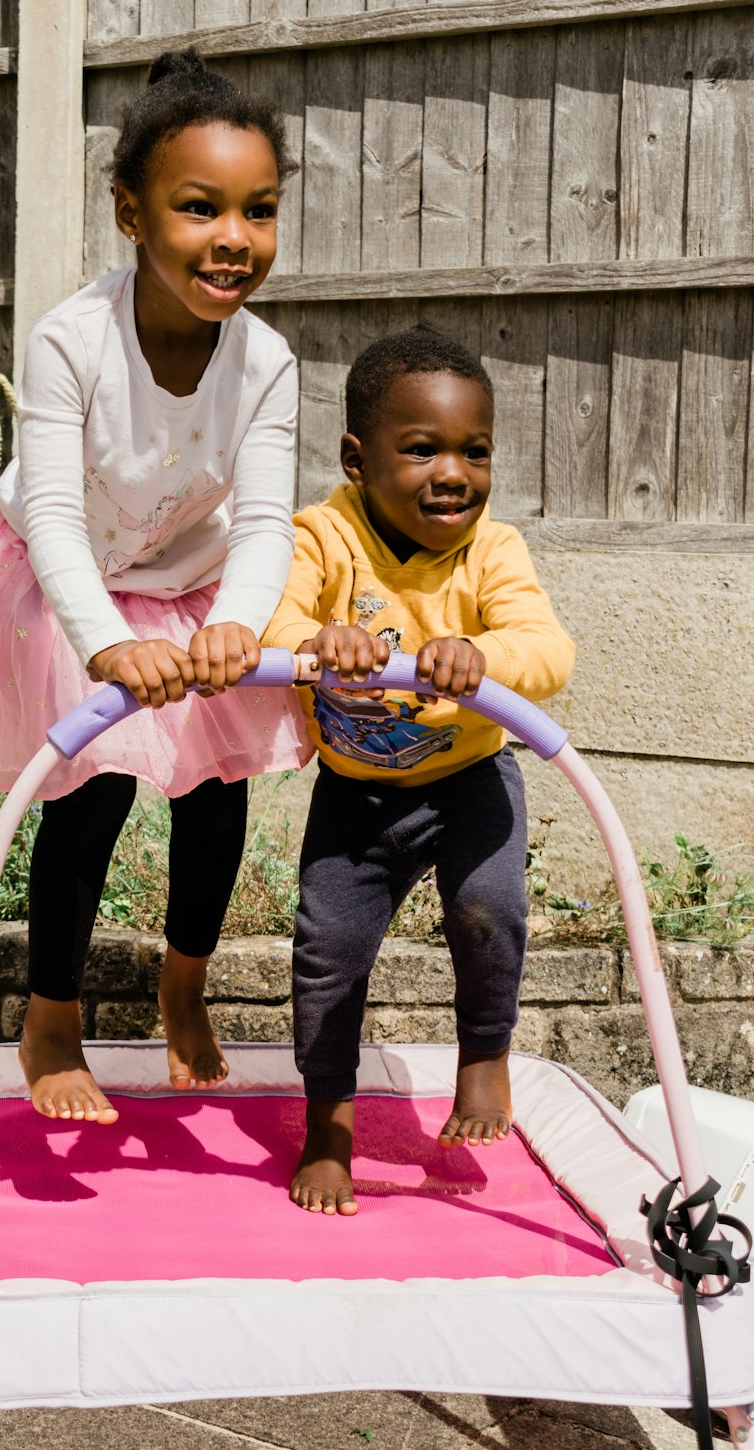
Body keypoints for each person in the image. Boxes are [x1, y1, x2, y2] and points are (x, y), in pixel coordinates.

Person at [0, 50, 312, 1124]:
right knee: (94, 790)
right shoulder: (69, 340)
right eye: (199, 208)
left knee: (215, 788)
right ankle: (53, 1012)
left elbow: (265, 523)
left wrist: (230, 628)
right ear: (132, 215)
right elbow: (51, 517)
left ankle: (184, 981)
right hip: (62, 572)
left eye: (258, 211)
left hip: (187, 575)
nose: (235, 236)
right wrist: (100, 642)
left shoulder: (265, 360)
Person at [263, 325, 576, 1216]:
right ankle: (329, 1120)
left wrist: (482, 653)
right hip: (356, 796)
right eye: (423, 450)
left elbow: (548, 650)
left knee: (491, 910)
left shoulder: (493, 550)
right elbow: (268, 625)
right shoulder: (322, 537)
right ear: (357, 460)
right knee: (327, 956)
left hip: (471, 780)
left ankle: (484, 1057)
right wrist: (320, 642)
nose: (454, 474)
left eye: (475, 452)